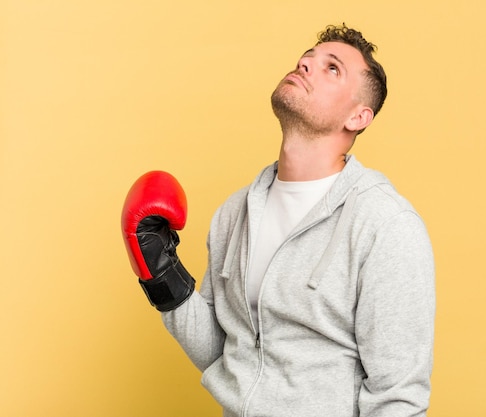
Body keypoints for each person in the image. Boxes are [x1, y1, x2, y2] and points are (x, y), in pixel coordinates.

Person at [122, 23, 435, 417]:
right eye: (308, 57)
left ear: (358, 117)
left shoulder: (386, 225)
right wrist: (163, 276)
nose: (306, 63)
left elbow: (399, 398)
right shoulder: (234, 214)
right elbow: (228, 356)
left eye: (332, 67)